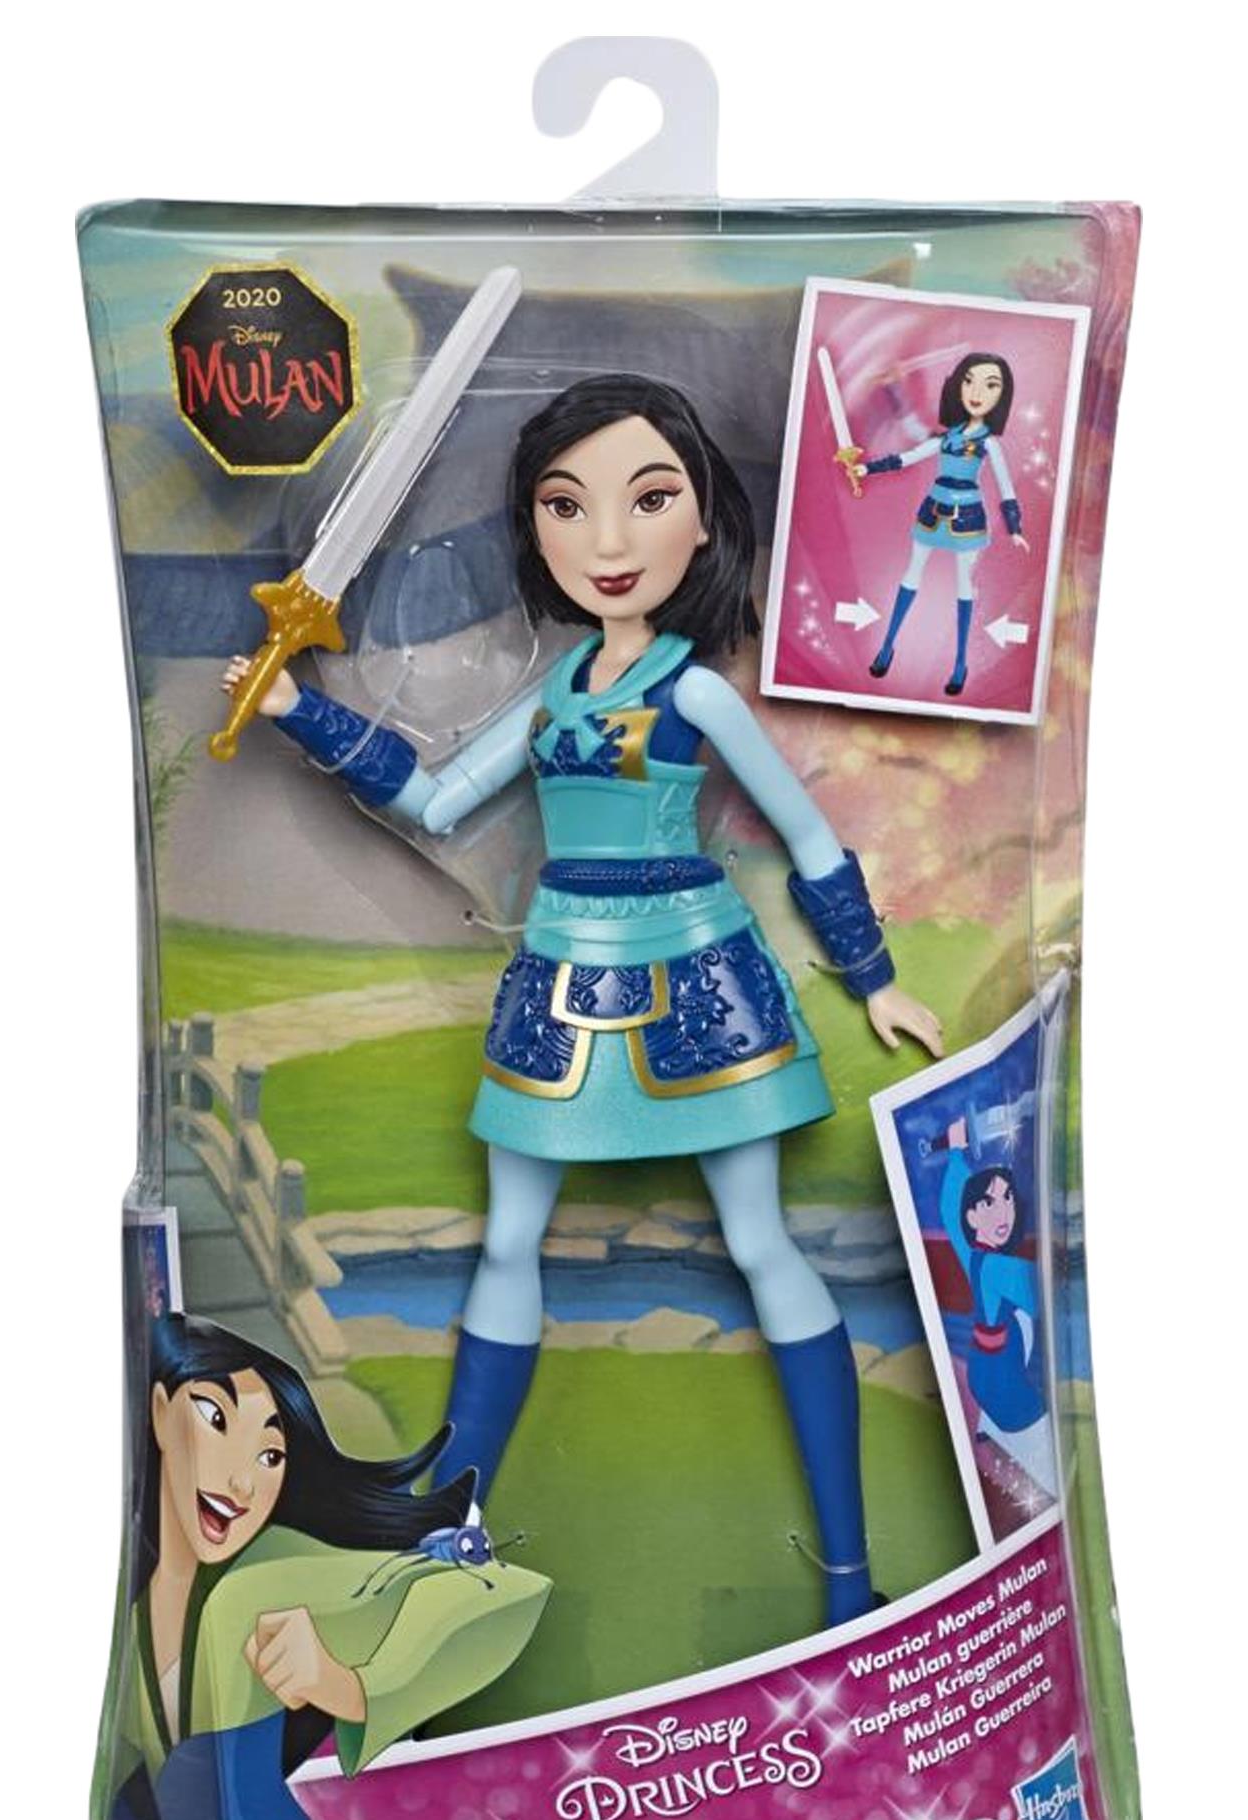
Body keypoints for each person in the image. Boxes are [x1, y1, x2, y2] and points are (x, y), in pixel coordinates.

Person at [227, 373, 943, 1626]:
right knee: (507, 1243)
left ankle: (844, 1574)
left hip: (696, 979)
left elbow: (806, 834)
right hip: (560, 978)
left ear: (703, 518)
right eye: (566, 506)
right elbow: (438, 798)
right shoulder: (552, 694)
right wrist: (300, 714)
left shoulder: (695, 690)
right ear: (534, 526)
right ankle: (444, 1547)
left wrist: (871, 976)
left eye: (646, 499)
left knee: (760, 1243)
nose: (606, 539)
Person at [96, 1311, 549, 1820]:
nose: (240, 1482)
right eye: (214, 1419)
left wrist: (348, 1685)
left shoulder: (266, 1577)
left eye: (270, 1454)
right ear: (157, 1409)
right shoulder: (139, 1594)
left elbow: (502, 1589)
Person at [838, 352, 1031, 696]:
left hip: (967, 518)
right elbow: (908, 455)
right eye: (969, 382)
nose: (977, 392)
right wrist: (866, 468)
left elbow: (1006, 487)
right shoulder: (945, 438)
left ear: (1001, 396)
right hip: (933, 512)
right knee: (911, 575)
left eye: (990, 386)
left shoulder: (988, 444)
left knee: (963, 586)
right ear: (958, 386)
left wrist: (1014, 528)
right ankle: (888, 646)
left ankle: (960, 663)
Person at [937, 1117, 1057, 1497]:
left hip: (987, 1371)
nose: (1002, 1212)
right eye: (989, 1202)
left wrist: (956, 1152)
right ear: (972, 1216)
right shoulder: (998, 1268)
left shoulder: (973, 1253)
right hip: (1004, 1384)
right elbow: (1052, 1289)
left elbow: (950, 1211)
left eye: (1007, 1200)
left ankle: (993, 1431)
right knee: (1060, 1475)